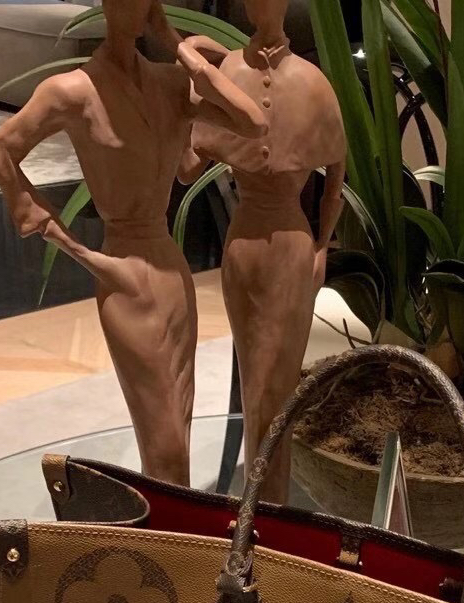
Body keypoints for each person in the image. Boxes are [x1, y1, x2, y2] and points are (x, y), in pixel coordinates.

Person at [0, 0, 267, 483]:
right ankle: (165, 525)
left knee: (181, 425)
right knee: (163, 441)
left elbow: (253, 123)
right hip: (122, 269)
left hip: (171, 268)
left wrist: (176, 44)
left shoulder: (170, 82)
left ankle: (171, 526)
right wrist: (39, 216)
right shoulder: (72, 91)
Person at [180, 0, 345, 500]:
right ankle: (260, 506)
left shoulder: (313, 82)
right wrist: (191, 84)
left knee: (278, 385)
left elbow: (335, 177)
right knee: (255, 380)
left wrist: (323, 248)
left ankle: (268, 505)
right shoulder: (228, 73)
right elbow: (188, 169)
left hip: (294, 248)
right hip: (244, 248)